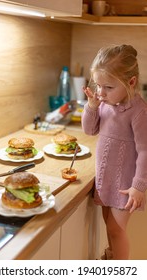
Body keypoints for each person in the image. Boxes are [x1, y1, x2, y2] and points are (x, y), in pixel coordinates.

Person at [82, 44, 147, 260]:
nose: (100, 92)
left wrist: (138, 186)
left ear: (131, 82)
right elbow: (89, 130)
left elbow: (145, 150)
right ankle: (112, 260)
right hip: (106, 179)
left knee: (116, 230)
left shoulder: (138, 111)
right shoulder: (104, 103)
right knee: (109, 227)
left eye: (108, 87)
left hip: (126, 186)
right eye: (98, 86)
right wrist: (91, 106)